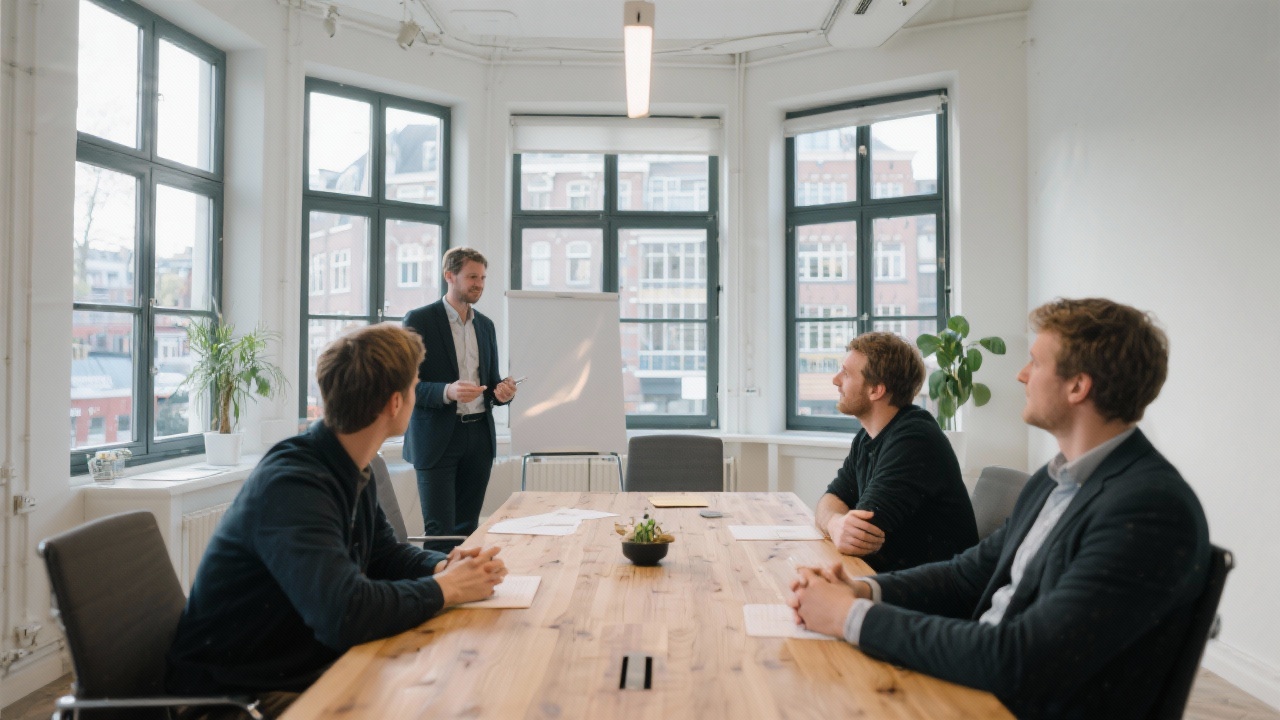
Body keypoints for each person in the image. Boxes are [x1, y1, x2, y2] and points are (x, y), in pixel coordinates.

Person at [789, 298, 1211, 719]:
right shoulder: (1053, 479)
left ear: (1078, 386)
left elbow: (1023, 659)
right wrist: (863, 590)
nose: (1021, 374)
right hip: (984, 681)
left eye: (1035, 363)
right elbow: (968, 573)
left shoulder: (1149, 508)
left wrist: (848, 615)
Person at [167, 324, 507, 719]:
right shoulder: (294, 484)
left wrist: (445, 565)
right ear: (396, 403)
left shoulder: (346, 462)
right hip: (240, 698)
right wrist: (443, 589)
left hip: (299, 667)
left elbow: (382, 553)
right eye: (415, 387)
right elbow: (344, 615)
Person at [815, 331, 977, 572]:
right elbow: (831, 499)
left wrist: (838, 525)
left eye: (846, 374)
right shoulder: (867, 437)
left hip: (932, 596)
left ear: (876, 390)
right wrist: (835, 522)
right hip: (896, 582)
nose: (836, 380)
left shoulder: (915, 440)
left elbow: (857, 536)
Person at [402, 247, 517, 552]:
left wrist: (502, 393)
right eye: (471, 277)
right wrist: (447, 391)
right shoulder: (420, 320)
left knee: (469, 528)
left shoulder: (486, 325)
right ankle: (437, 596)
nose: (478, 283)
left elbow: (490, 384)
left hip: (478, 436)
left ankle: (466, 592)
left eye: (482, 277)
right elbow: (406, 385)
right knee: (440, 532)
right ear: (449, 276)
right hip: (437, 437)